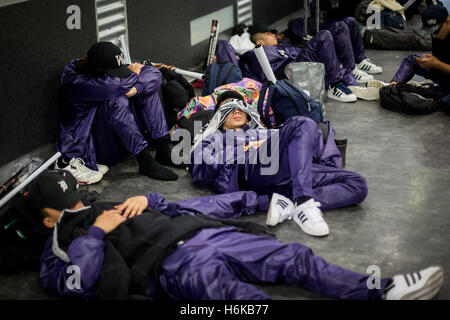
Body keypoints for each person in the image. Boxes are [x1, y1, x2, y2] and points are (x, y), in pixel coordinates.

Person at [25, 170, 444, 300]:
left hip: (205, 232)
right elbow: (75, 285)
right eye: (70, 205)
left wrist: (147, 197)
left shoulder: (102, 203)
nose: (82, 205)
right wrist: (97, 231)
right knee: (247, 305)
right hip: (175, 263)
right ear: (48, 220)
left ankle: (382, 291)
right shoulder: (58, 246)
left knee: (295, 259)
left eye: (81, 197)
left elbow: (175, 206)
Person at [189, 91, 368, 236]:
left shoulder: (265, 133)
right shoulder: (213, 138)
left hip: (289, 171)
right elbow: (200, 170)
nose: (236, 110)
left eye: (240, 107)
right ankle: (304, 201)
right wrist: (245, 148)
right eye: (229, 108)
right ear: (219, 117)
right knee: (302, 122)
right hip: (250, 171)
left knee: (357, 184)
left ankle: (289, 202)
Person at [55, 42, 178, 184]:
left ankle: (163, 149)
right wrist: (135, 75)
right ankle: (145, 161)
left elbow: (154, 73)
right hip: (94, 147)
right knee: (116, 100)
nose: (116, 75)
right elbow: (113, 87)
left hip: (118, 137)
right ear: (99, 70)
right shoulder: (76, 81)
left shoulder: (102, 67)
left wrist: (136, 88)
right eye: (112, 73)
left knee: (146, 90)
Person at [237, 22, 380, 102]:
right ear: (259, 41)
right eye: (269, 34)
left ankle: (352, 70)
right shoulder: (256, 54)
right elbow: (262, 77)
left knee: (344, 24)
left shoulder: (281, 46)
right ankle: (335, 85)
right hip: (293, 73)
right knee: (324, 35)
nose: (274, 35)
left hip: (308, 64)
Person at [390, 5, 450, 101]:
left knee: (445, 102)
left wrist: (437, 64)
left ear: (448, 21)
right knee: (412, 60)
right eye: (431, 31)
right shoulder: (438, 35)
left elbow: (439, 64)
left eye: (436, 31)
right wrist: (429, 62)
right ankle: (392, 86)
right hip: (445, 74)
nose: (434, 35)